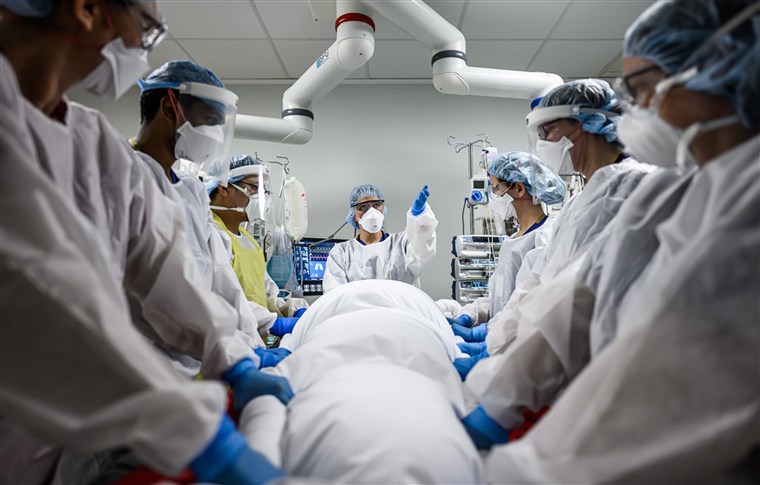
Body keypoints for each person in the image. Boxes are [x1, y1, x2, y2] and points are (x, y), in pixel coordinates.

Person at [0, 1, 290, 484]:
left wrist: (233, 357)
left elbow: (165, 269)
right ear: (87, 9)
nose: (141, 48)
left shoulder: (93, 142)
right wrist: (199, 436)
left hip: (93, 418)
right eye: (148, 29)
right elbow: (38, 295)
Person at [479, 2, 760, 482]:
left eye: (645, 88)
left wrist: (518, 457)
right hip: (610, 410)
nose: (635, 108)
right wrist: (500, 391)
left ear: (718, 68)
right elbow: (579, 296)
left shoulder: (734, 197)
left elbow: (683, 360)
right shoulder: (688, 186)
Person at [473, 78, 657, 359]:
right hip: (564, 348)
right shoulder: (582, 201)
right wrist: (494, 339)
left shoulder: (631, 186)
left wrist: (505, 356)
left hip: (607, 350)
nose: (543, 142)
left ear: (585, 123)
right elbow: (539, 284)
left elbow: (580, 296)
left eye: (549, 130)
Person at [131, 61, 292, 369]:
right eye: (208, 121)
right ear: (170, 108)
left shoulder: (190, 191)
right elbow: (159, 289)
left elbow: (222, 283)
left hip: (200, 360)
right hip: (144, 362)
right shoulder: (122, 177)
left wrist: (249, 349)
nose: (216, 136)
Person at [440, 152, 565, 375]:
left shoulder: (543, 240)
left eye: (496, 188)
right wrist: (470, 316)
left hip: (520, 348)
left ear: (519, 189)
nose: (493, 196)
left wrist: (483, 334)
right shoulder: (513, 240)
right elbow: (499, 297)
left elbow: (526, 307)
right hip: (500, 338)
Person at [207, 154, 303, 340]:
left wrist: (292, 308)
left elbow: (265, 292)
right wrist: (272, 323)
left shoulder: (249, 241)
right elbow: (221, 300)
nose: (261, 196)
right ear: (224, 188)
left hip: (253, 340)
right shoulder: (209, 235)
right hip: (224, 342)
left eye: (262, 190)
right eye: (253, 187)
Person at [322, 183, 438, 291]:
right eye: (363, 207)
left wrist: (419, 218)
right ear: (354, 215)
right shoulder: (341, 254)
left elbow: (423, 251)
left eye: (376, 205)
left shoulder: (403, 243)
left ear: (383, 209)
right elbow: (335, 294)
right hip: (358, 308)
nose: (371, 212)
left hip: (401, 307)